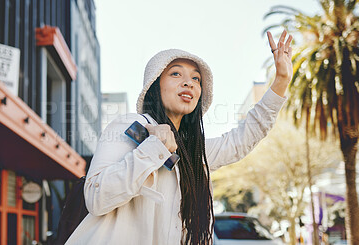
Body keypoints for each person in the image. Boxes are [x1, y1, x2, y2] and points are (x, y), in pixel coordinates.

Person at [65, 30, 293, 245]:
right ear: (155, 84)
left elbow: (243, 138)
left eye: (196, 79)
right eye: (176, 73)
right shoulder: (131, 126)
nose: (189, 82)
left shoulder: (194, 153)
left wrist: (281, 80)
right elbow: (96, 198)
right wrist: (153, 148)